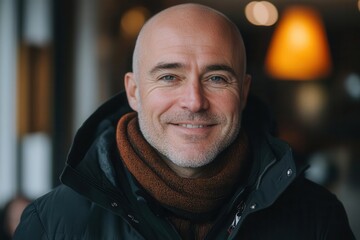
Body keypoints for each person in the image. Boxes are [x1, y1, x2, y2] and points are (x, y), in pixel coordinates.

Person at [14, 3, 355, 240]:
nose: (194, 102)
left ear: (245, 91)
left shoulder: (317, 217)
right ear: (133, 91)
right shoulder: (51, 223)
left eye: (217, 78)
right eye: (169, 77)